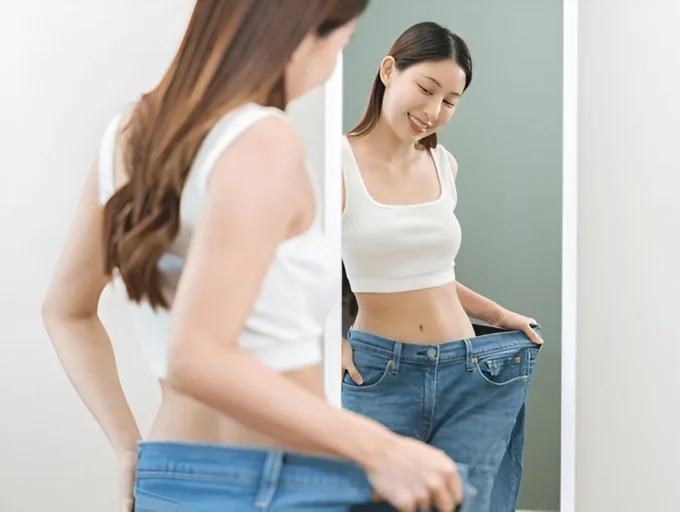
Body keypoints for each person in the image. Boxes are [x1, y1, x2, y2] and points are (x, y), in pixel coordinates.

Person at [41, 3, 475, 511]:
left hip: (168, 476)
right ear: (303, 34)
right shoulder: (261, 139)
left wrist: (125, 446)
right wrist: (381, 449)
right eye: (343, 41)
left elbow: (65, 311)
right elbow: (197, 355)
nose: (335, 62)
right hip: (273, 485)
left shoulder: (129, 134)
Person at [340, 21, 544, 511]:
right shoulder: (337, 164)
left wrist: (498, 316)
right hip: (381, 375)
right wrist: (330, 336)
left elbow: (433, 276)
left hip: (471, 371)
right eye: (426, 89)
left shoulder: (443, 165)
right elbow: (297, 270)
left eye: (450, 101)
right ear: (389, 71)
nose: (433, 111)